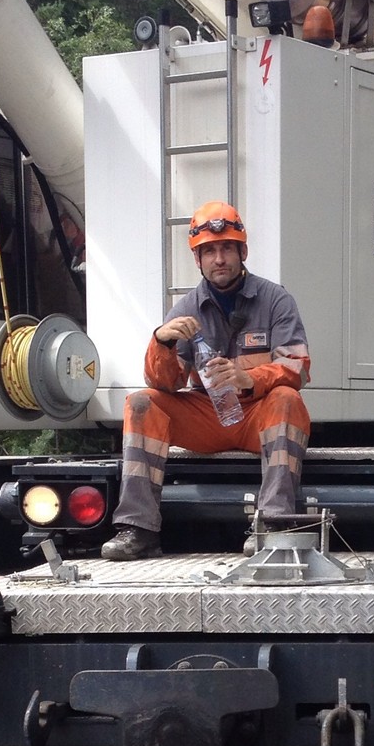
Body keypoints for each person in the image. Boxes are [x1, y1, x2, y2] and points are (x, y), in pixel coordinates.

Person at [101, 200, 311, 561]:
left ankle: (274, 524)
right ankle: (138, 529)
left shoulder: (275, 299)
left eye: (227, 248)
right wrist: (162, 341)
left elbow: (297, 368)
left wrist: (249, 378)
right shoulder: (185, 309)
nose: (219, 259)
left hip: (257, 413)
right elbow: (164, 384)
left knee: (287, 400)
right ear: (197, 259)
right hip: (208, 417)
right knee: (141, 402)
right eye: (209, 251)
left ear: (242, 252)